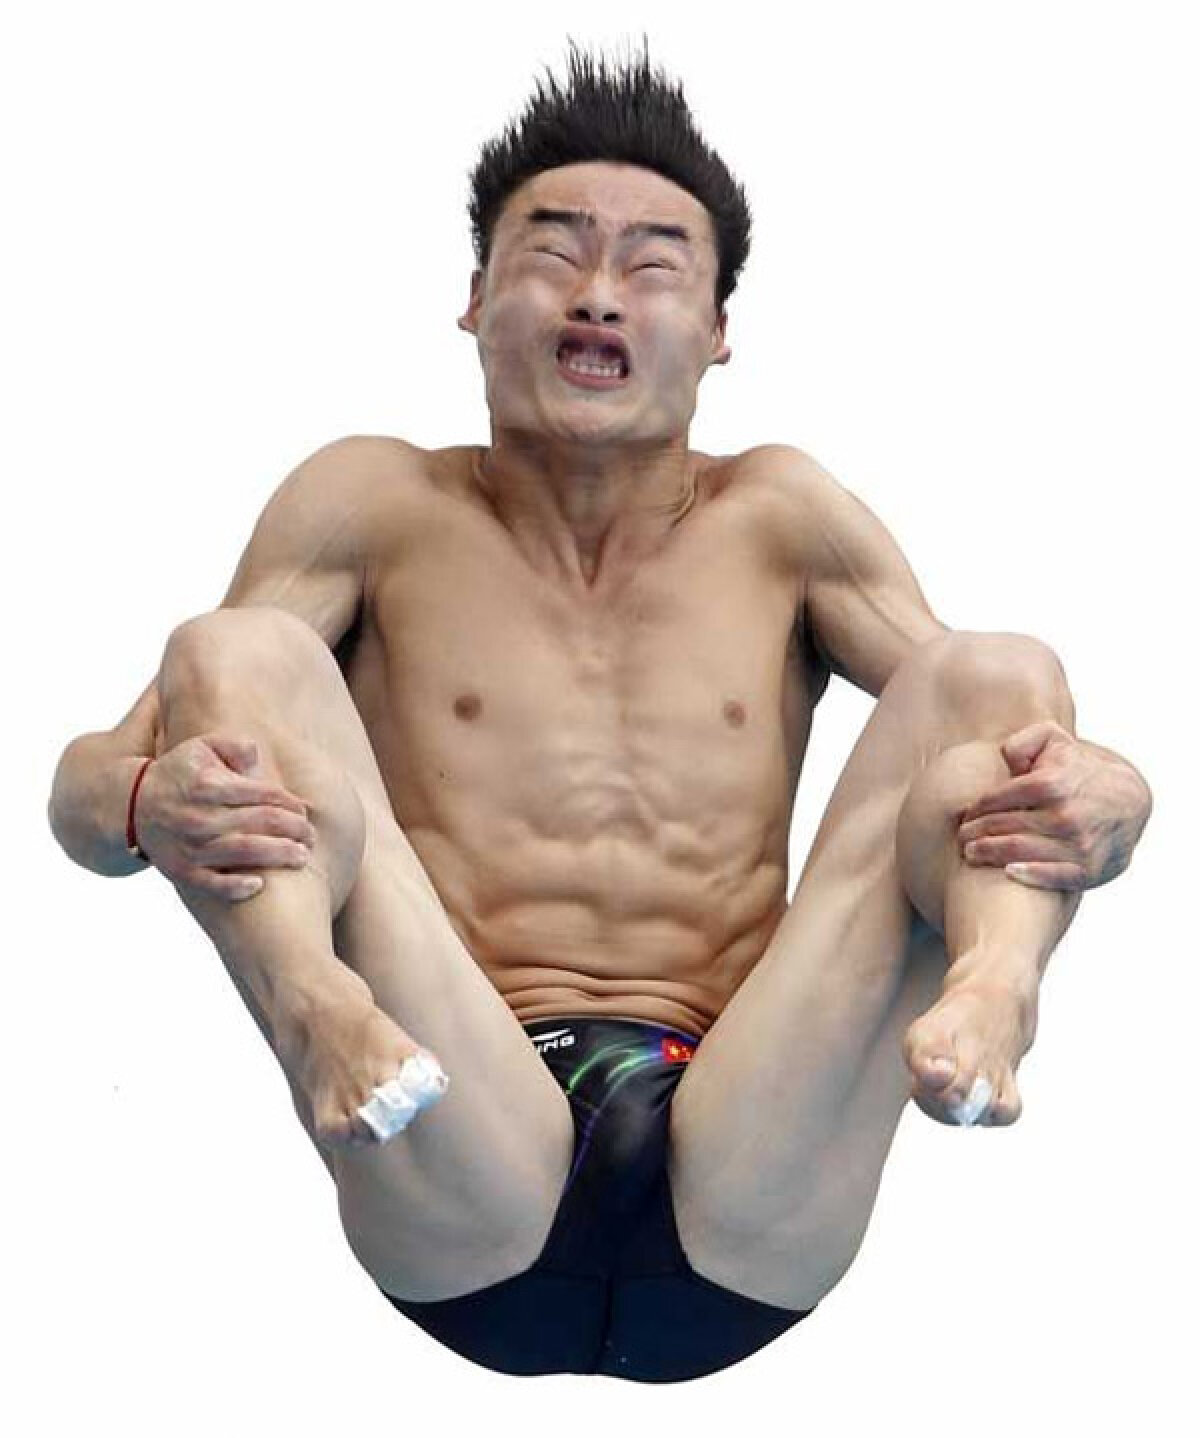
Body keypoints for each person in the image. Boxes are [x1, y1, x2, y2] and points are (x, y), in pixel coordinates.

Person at [47, 39, 1152, 1384]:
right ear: (475, 300)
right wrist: (141, 799)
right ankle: (312, 1000)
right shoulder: (372, 507)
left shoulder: (781, 519)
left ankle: (997, 989)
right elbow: (91, 792)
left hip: (751, 1156)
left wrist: (1121, 799)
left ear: (720, 329)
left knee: (997, 674)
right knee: (239, 652)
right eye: (554, 250)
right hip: (450, 1125)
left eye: (653, 265)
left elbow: (999, 730)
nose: (597, 293)